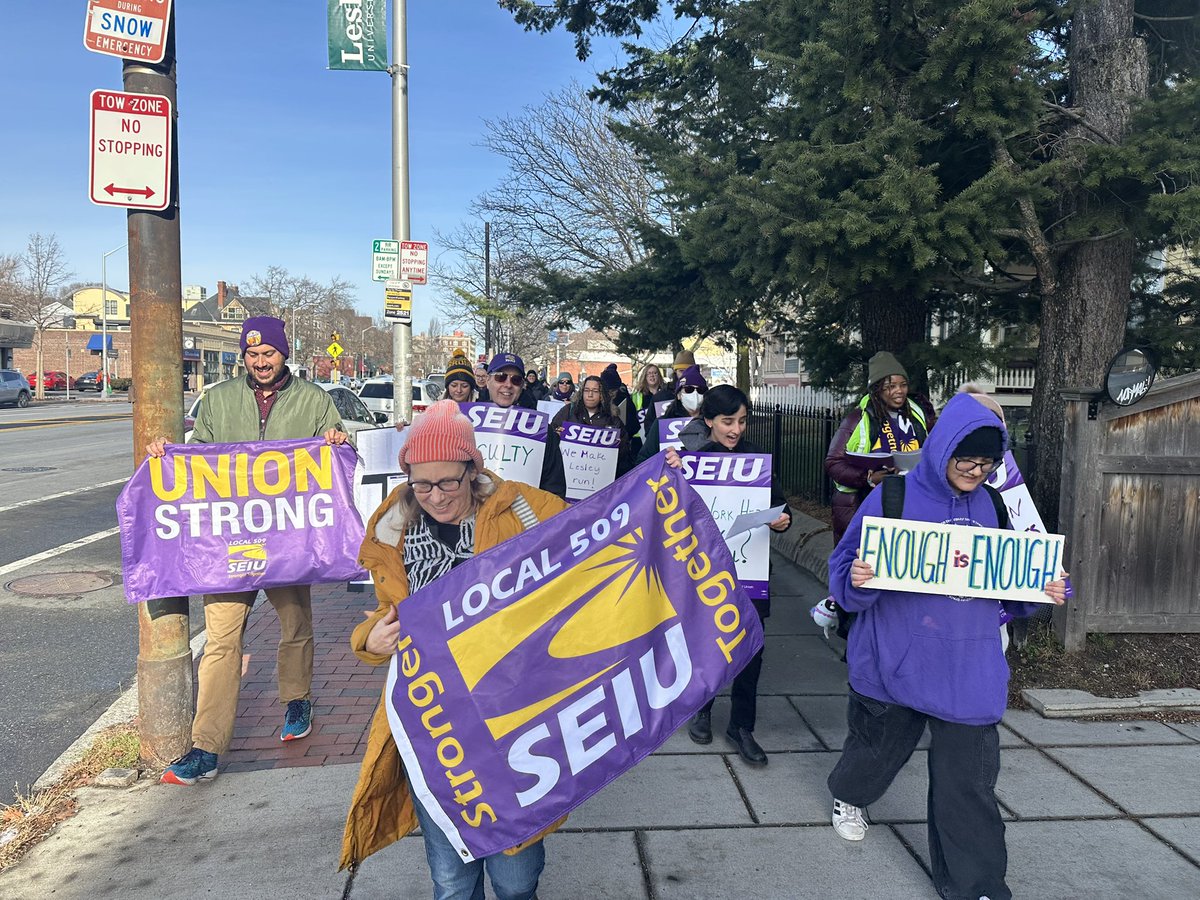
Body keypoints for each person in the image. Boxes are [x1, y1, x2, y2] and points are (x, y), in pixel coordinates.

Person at [825, 394, 1067, 900]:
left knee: (969, 787)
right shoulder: (891, 497)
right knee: (873, 756)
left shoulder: (995, 505)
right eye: (966, 459)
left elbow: (1012, 586)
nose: (976, 471)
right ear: (942, 449)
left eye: (986, 463)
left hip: (968, 667)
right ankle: (849, 796)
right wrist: (861, 579)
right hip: (896, 658)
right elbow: (844, 574)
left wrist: (1040, 590)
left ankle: (976, 886)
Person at [340, 400, 568, 897]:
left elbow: (606, 528)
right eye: (422, 484)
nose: (436, 496)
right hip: (435, 730)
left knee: (515, 881)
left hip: (512, 722)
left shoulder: (521, 509)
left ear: (473, 469)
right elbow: (385, 612)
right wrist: (370, 640)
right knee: (451, 882)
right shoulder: (394, 527)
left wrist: (665, 481)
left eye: (448, 482)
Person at [147, 316, 350, 786]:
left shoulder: (314, 399)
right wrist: (168, 453)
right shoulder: (217, 399)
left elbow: (337, 451)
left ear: (284, 355)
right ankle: (207, 747)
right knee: (221, 641)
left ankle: (297, 698)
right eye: (253, 355)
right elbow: (198, 461)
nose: (260, 362)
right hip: (228, 543)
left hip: (286, 540)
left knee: (295, 624)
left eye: (269, 354)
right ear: (245, 357)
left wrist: (338, 441)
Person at [663, 385, 791, 766]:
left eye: (742, 421)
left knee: (751, 650)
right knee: (706, 643)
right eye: (727, 421)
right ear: (708, 421)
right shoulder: (692, 460)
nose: (736, 429)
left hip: (751, 572)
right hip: (706, 574)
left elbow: (778, 506)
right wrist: (671, 468)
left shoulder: (758, 459)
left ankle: (741, 726)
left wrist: (782, 521)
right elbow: (667, 506)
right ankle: (702, 708)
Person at [823, 351, 937, 636]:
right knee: (865, 573)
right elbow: (833, 463)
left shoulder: (919, 413)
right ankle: (853, 637)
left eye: (902, 384)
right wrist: (868, 476)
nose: (898, 391)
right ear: (876, 389)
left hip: (911, 504)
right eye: (890, 386)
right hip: (862, 506)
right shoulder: (858, 418)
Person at [486, 352, 567, 498]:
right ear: (487, 380)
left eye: (516, 380)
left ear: (522, 386)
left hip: (526, 517)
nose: (508, 384)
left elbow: (555, 487)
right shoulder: (465, 424)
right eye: (500, 377)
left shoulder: (542, 431)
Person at [550, 375, 634, 475]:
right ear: (582, 393)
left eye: (595, 391)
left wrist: (619, 446)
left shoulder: (612, 419)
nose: (590, 394)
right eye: (586, 390)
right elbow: (550, 437)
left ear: (601, 395)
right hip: (568, 474)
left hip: (600, 477)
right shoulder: (568, 411)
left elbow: (625, 455)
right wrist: (556, 435)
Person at [635, 364, 708, 463]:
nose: (695, 394)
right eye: (688, 389)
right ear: (679, 395)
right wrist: (662, 463)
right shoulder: (662, 423)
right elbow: (643, 460)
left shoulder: (713, 423)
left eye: (700, 390)